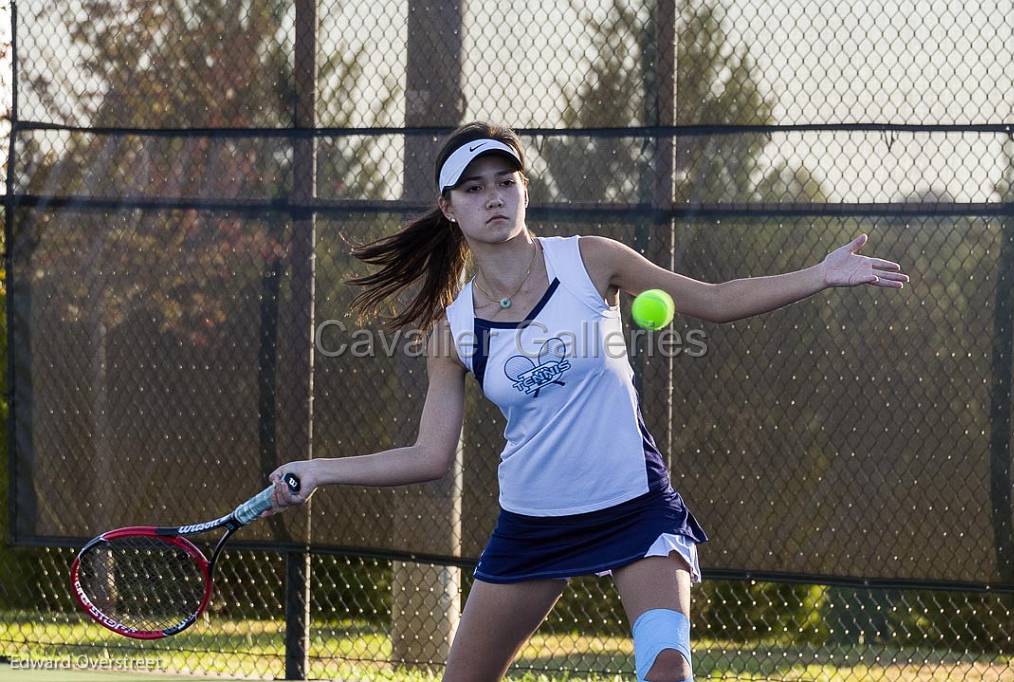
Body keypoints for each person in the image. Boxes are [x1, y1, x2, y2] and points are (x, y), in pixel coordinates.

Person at [262, 121, 909, 681]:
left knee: (667, 670)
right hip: (531, 528)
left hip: (635, 512)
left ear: (524, 189)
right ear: (449, 209)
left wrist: (820, 275)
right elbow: (429, 456)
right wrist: (320, 470)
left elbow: (712, 301)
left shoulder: (592, 261)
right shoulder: (453, 330)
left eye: (505, 181)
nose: (494, 197)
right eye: (474, 187)